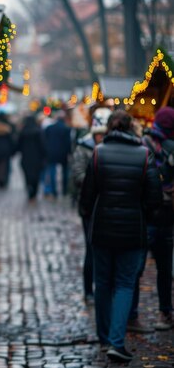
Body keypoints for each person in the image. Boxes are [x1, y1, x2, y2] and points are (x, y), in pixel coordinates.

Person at [79, 110, 161, 362]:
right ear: (130, 128)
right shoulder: (144, 154)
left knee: (102, 283)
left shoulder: (98, 153)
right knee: (125, 284)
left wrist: (90, 217)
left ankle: (105, 339)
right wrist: (143, 216)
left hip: (102, 230)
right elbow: (154, 199)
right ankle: (116, 341)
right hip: (131, 231)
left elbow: (86, 196)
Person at [128, 107, 174, 332]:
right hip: (155, 215)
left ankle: (147, 313)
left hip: (152, 215)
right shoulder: (147, 146)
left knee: (145, 268)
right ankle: (157, 313)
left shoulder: (143, 144)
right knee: (150, 268)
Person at [72, 107, 112, 304]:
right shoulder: (83, 148)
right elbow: (77, 174)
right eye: (99, 135)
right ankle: (89, 289)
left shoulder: (110, 148)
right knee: (91, 248)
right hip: (89, 205)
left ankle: (103, 286)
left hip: (107, 206)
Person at [43, 111, 72, 197]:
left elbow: (45, 140)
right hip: (63, 153)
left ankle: (54, 191)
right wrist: (69, 152)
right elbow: (68, 142)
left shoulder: (49, 128)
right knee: (65, 172)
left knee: (52, 172)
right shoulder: (66, 129)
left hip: (51, 153)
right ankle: (64, 190)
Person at [17, 115, 45, 201]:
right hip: (37, 158)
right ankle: (34, 192)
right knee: (36, 176)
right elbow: (42, 145)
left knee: (27, 176)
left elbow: (18, 145)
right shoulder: (38, 131)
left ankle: (29, 190)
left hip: (25, 158)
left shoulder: (23, 132)